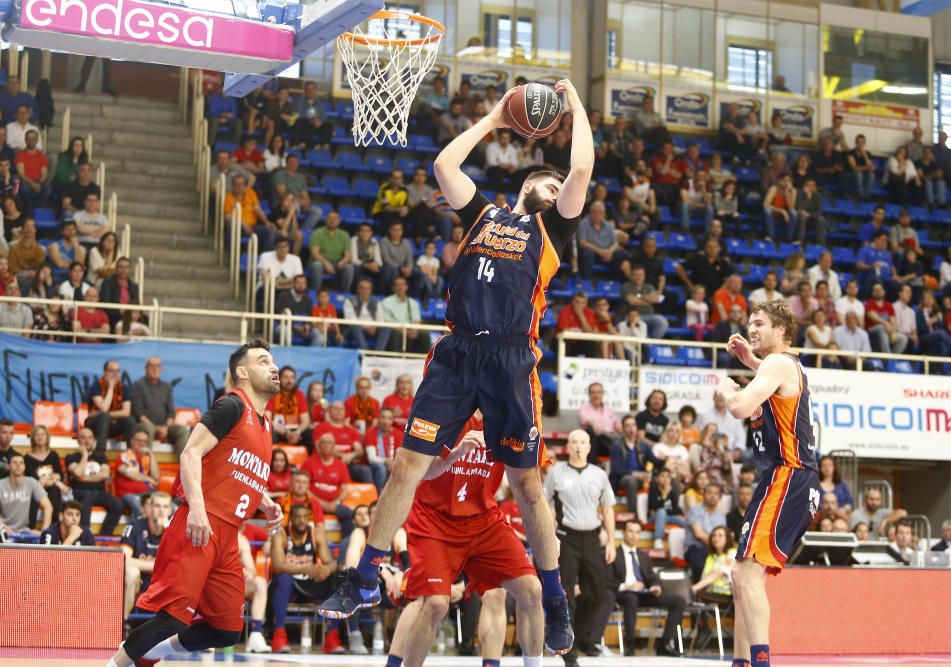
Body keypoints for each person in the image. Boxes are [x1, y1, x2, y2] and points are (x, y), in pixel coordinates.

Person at [316, 82, 591, 657]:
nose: (558, 187)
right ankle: (366, 576)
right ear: (526, 184)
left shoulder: (553, 231)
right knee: (406, 465)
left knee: (527, 486)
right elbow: (445, 162)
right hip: (458, 350)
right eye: (549, 181)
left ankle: (555, 598)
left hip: (513, 356)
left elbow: (583, 166)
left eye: (560, 186)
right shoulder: (482, 215)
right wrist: (495, 116)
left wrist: (570, 100)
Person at [106, 341, 285, 667]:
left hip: (229, 532)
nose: (274, 367)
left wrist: (267, 502)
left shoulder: (267, 425)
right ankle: (116, 662)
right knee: (173, 617)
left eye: (273, 361)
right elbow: (190, 454)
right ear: (242, 372)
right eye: (263, 361)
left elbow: (238, 473)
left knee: (227, 629)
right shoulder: (232, 406)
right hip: (200, 524)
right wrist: (199, 510)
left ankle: (150, 653)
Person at [389, 416, 545, 667]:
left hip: (483, 521)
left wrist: (547, 535)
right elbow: (416, 472)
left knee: (529, 590)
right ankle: (397, 663)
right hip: (434, 521)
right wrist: (457, 452)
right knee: (434, 603)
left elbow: (528, 485)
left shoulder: (510, 416)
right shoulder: (442, 408)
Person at [716, 300, 821, 667]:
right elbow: (770, 379)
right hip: (784, 477)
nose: (751, 328)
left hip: (788, 474)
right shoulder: (777, 367)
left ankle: (758, 663)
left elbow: (741, 407)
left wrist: (728, 389)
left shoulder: (779, 363)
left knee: (746, 573)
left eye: (759, 323)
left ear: (782, 330)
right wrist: (749, 361)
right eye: (749, 322)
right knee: (741, 573)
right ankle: (742, 662)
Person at [543, 430, 616, 663]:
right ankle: (570, 655)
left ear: (588, 446)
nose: (578, 446)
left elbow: (608, 509)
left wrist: (612, 540)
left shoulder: (599, 475)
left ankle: (578, 634)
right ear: (567, 445)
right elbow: (545, 507)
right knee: (568, 598)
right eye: (573, 441)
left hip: (593, 539)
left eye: (582, 442)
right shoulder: (555, 473)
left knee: (597, 593)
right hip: (567, 539)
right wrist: (549, 535)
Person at [596, 519, 685, 656]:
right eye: (630, 531)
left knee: (679, 601)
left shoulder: (644, 556)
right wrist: (627, 586)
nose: (634, 535)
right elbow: (607, 581)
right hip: (623, 594)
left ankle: (664, 645)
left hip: (643, 594)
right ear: (624, 533)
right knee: (631, 598)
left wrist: (656, 586)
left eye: (637, 532)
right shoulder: (613, 553)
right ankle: (630, 646)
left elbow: (652, 577)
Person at [270, 504, 340, 653]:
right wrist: (304, 569)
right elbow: (278, 566)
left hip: (310, 584)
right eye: (298, 517)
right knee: (284, 579)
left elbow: (331, 563)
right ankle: (279, 635)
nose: (302, 520)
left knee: (336, 579)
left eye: (305, 517)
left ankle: (332, 636)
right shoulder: (280, 534)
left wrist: (327, 570)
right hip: (289, 586)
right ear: (291, 519)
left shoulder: (316, 534)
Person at [121, 492, 172, 619]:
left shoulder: (174, 530)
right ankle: (123, 624)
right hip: (141, 582)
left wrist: (169, 531)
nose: (161, 511)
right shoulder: (134, 526)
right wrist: (157, 565)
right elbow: (123, 560)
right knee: (131, 572)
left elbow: (180, 564)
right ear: (149, 508)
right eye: (157, 506)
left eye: (165, 507)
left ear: (170, 510)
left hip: (165, 583)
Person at [65, 427, 123, 536]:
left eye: (90, 438)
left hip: (99, 493)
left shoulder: (101, 457)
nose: (87, 441)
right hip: (78, 492)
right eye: (83, 438)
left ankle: (104, 536)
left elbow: (105, 474)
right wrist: (85, 456)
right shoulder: (71, 457)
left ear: (93, 440)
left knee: (118, 504)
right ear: (78, 440)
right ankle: (84, 535)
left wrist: (83, 478)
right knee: (87, 496)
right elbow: (77, 472)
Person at [132, 356, 191, 457]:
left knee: (182, 430)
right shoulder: (138, 385)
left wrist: (166, 428)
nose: (155, 369)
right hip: (144, 425)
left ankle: (184, 466)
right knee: (149, 427)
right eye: (151, 366)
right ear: (146, 368)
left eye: (157, 366)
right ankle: (147, 464)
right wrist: (156, 428)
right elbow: (138, 413)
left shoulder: (167, 386)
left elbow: (171, 413)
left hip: (164, 426)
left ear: (161, 369)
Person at [85, 359, 136, 451]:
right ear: (105, 372)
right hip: (95, 425)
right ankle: (100, 453)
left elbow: (126, 412)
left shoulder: (124, 388)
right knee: (104, 416)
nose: (115, 374)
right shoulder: (96, 386)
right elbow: (104, 408)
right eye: (111, 371)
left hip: (113, 424)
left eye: (117, 371)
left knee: (130, 420)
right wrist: (111, 388)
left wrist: (104, 414)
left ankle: (131, 453)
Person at [609, 415, 653, 515]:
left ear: (637, 427)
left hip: (642, 478)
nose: (631, 428)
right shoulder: (616, 445)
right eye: (628, 425)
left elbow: (655, 461)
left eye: (633, 425)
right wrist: (634, 473)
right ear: (623, 428)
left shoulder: (643, 445)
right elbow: (616, 469)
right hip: (622, 479)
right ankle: (632, 514)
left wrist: (666, 461)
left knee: (659, 479)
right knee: (631, 480)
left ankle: (651, 513)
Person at [0, 454, 51, 535]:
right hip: (3, 530)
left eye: (21, 463)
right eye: (15, 463)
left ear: (24, 466)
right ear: (8, 466)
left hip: (24, 531)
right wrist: (4, 528)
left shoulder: (31, 482)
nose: (18, 465)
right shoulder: (1, 485)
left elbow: (48, 506)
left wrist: (44, 531)